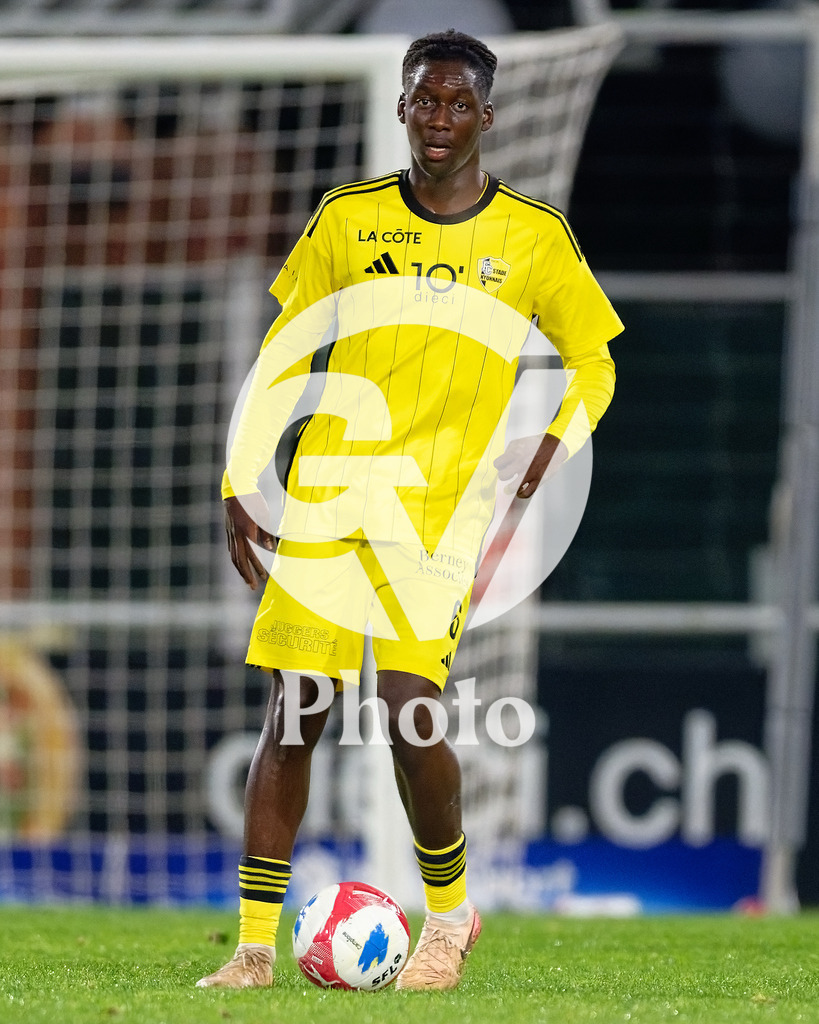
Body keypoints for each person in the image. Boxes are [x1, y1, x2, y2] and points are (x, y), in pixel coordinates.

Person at [197, 29, 623, 992]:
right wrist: (240, 477)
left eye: (456, 103)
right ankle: (255, 951)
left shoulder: (533, 237)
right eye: (423, 101)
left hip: (438, 510)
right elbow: (283, 350)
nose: (438, 119)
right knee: (294, 713)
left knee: (408, 714)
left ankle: (449, 916)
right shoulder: (346, 219)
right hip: (323, 498)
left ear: (487, 114)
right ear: (401, 108)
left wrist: (550, 440)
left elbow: (595, 358)